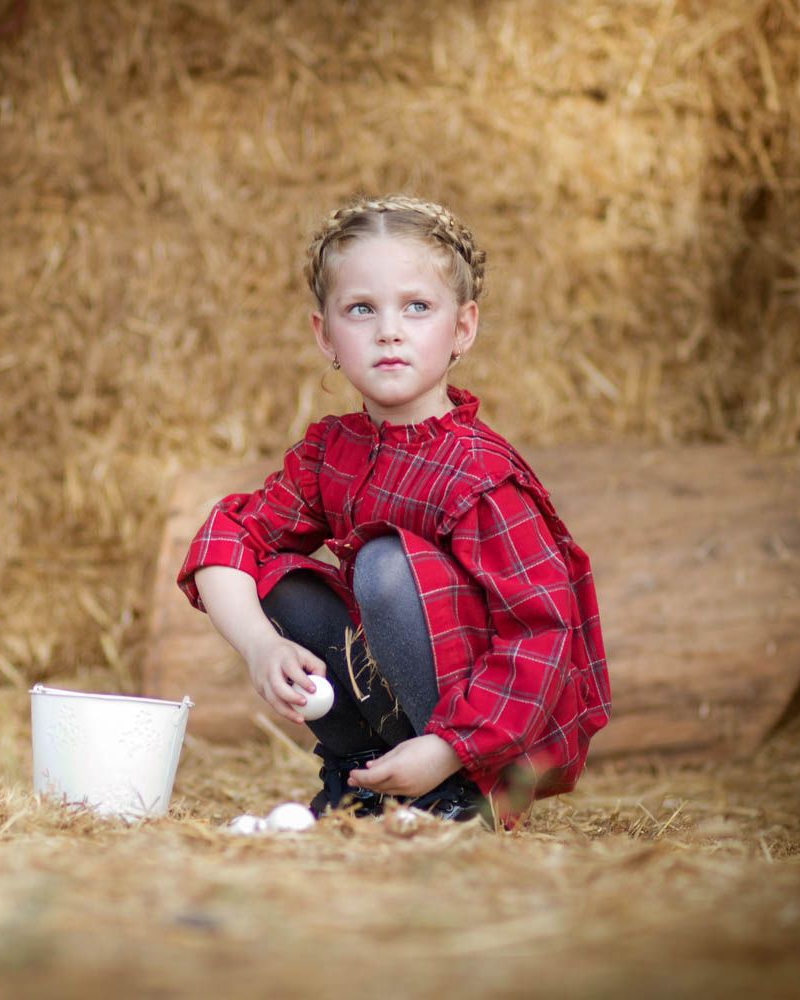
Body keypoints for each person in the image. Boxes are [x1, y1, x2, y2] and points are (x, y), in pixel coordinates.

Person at [177, 195, 610, 830]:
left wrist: (448, 750)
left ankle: (453, 796)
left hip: (485, 735)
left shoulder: (480, 475)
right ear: (324, 335)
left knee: (383, 564)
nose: (388, 330)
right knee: (285, 579)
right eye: (361, 309)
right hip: (400, 714)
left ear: (462, 328)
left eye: (417, 307)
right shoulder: (333, 452)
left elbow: (543, 637)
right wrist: (260, 645)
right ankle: (363, 784)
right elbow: (229, 539)